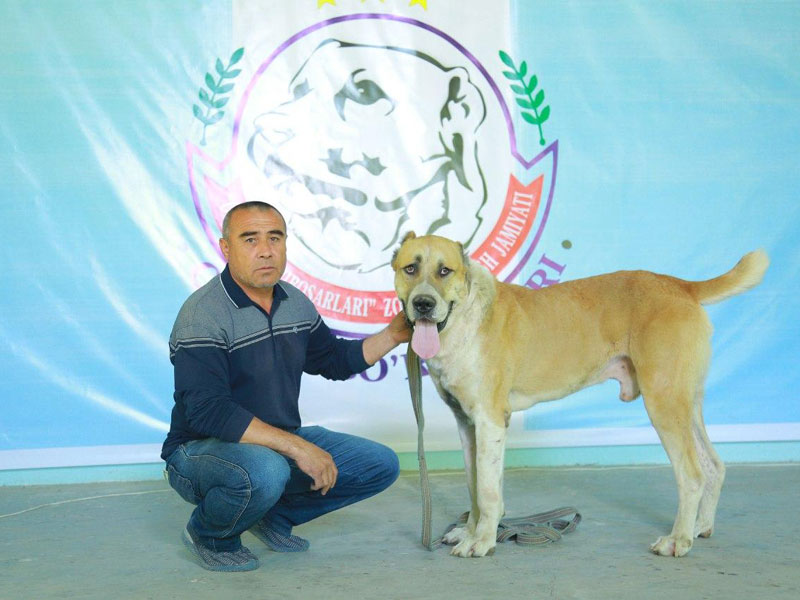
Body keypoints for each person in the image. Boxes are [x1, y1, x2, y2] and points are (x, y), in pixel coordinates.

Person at [161, 200, 411, 571]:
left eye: (274, 238)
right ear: (225, 248)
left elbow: (333, 360)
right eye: (250, 239)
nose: (265, 250)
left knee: (379, 464)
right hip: (197, 452)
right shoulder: (202, 315)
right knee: (266, 470)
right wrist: (298, 447)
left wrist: (393, 334)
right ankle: (209, 535)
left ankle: (271, 515)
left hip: (273, 444)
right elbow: (208, 411)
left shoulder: (295, 303)